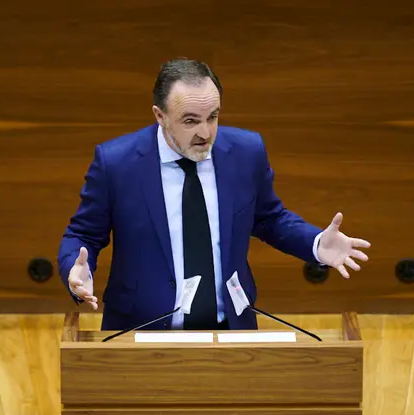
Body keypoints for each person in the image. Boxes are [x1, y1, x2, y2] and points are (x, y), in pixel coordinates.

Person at [57, 58, 371, 331]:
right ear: (160, 115)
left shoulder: (245, 152)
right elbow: (83, 234)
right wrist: (75, 268)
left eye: (213, 117)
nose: (205, 132)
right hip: (141, 330)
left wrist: (315, 243)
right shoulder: (117, 163)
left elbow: (270, 219)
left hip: (229, 329)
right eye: (191, 121)